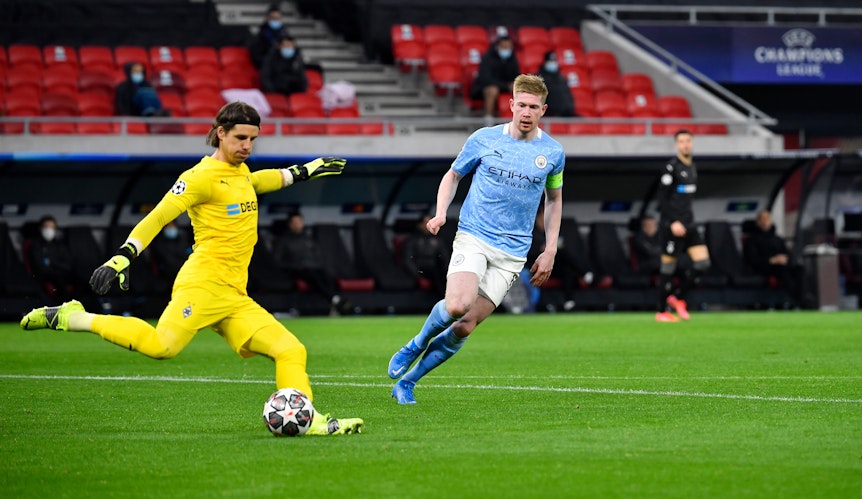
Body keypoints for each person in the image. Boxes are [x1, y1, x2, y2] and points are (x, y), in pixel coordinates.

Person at [20, 101, 363, 435]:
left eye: (253, 139)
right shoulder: (199, 177)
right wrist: (122, 257)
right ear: (219, 133)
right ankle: (73, 316)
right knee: (161, 347)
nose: (247, 146)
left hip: (233, 294)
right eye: (240, 138)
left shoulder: (240, 173)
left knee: (291, 350)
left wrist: (305, 170)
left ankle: (310, 420)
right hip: (202, 285)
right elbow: (159, 216)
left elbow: (260, 181)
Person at [387, 74, 565, 404]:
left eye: (533, 107)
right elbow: (453, 175)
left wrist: (550, 248)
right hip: (475, 235)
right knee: (457, 305)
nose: (526, 112)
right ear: (511, 105)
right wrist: (440, 213)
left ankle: (408, 382)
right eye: (521, 105)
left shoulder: (553, 153)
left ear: (543, 109)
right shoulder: (484, 139)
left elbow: (553, 200)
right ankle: (415, 343)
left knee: (466, 325)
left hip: (513, 252)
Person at [654, 129, 710, 322]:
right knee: (668, 268)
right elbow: (662, 199)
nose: (685, 144)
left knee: (703, 263)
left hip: (689, 224)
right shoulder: (671, 167)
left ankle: (677, 297)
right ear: (677, 145)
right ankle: (661, 311)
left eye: (688, 141)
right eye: (681, 141)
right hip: (672, 225)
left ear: (692, 143)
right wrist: (672, 222)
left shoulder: (693, 167)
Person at [272, 212, 349, 316]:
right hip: (296, 270)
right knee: (313, 275)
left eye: (300, 221)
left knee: (326, 274)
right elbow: (277, 261)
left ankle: (333, 303)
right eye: (295, 222)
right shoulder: (284, 241)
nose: (298, 224)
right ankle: (335, 300)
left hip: (314, 268)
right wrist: (294, 266)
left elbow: (318, 256)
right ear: (290, 224)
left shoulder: (308, 239)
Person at [743, 209, 802, 306]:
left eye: (768, 219)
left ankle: (803, 300)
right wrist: (772, 260)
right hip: (765, 268)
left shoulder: (777, 239)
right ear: (758, 222)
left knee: (800, 270)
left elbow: (787, 253)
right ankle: (790, 301)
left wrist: (785, 259)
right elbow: (752, 260)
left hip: (782, 265)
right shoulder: (752, 241)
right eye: (763, 219)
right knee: (784, 272)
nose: (766, 221)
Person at [469, 36, 521, 125]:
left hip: (504, 87)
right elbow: (486, 78)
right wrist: (506, 86)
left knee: (520, 89)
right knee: (492, 90)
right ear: (497, 47)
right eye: (504, 47)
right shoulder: (487, 58)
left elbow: (516, 76)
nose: (507, 50)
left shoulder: (513, 59)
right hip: (483, 88)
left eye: (509, 48)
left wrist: (514, 84)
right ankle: (488, 120)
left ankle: (518, 119)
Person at [401, 214, 451, 296]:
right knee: (437, 277)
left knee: (441, 275)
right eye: (426, 223)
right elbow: (408, 260)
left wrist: (447, 269)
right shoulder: (412, 240)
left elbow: (445, 257)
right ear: (419, 225)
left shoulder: (438, 240)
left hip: (436, 268)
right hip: (420, 269)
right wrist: (417, 274)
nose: (428, 226)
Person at [27, 215, 74, 299]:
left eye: (52, 227)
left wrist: (52, 263)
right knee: (59, 280)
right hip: (45, 276)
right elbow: (39, 266)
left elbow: (68, 264)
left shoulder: (60, 245)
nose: (49, 230)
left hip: (63, 273)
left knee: (82, 279)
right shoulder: (36, 246)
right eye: (46, 227)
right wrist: (56, 266)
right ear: (40, 228)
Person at [248, 4, 290, 69]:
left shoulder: (285, 35)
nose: (276, 21)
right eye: (273, 18)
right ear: (267, 18)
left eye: (278, 18)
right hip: (268, 70)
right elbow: (257, 59)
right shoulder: (259, 37)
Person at [536, 51, 575, 118]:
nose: (552, 63)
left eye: (554, 61)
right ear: (545, 62)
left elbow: (568, 97)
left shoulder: (562, 78)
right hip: (548, 115)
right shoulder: (539, 79)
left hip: (565, 114)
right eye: (550, 61)